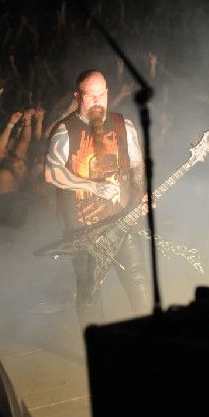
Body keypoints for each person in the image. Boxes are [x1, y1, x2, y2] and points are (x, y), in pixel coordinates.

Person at [44, 69, 151, 329]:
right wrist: (92, 186)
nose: (96, 102)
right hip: (84, 229)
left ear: (107, 94)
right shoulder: (65, 129)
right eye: (90, 96)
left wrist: (140, 196)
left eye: (101, 95)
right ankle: (98, 351)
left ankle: (154, 339)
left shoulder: (123, 125)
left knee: (138, 280)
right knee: (90, 292)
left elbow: (137, 166)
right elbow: (51, 173)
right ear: (78, 96)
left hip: (122, 220)